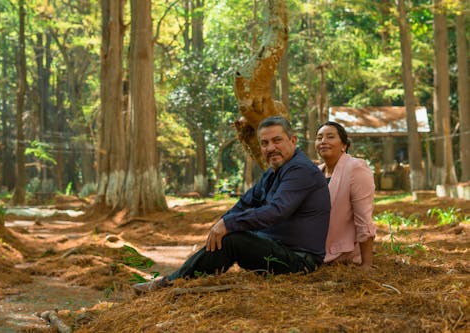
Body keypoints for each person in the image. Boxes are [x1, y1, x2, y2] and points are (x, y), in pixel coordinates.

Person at [133, 116, 331, 293]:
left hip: (300, 261)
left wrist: (228, 224)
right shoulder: (276, 169)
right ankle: (180, 280)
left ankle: (168, 284)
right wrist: (221, 223)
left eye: (277, 140)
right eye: (264, 143)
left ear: (293, 140)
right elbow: (247, 201)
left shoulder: (300, 170)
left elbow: (275, 212)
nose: (270, 148)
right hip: (276, 249)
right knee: (228, 235)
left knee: (232, 239)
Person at [314, 121, 376, 268]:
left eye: (330, 137)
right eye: (319, 137)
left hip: (342, 253)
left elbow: (363, 218)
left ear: (344, 145)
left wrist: (367, 263)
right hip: (314, 250)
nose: (323, 141)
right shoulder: (315, 172)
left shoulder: (356, 168)